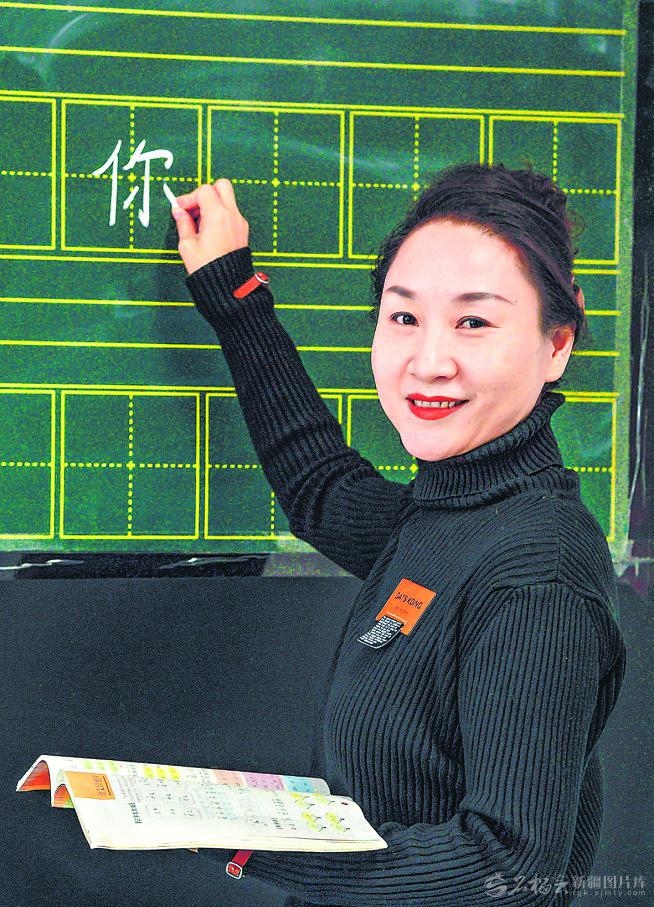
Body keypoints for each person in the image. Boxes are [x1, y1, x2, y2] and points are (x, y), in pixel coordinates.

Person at [171, 164, 626, 907]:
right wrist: (234, 293)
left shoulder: (534, 572)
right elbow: (320, 487)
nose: (429, 362)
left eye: (474, 322)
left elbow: (510, 871)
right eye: (404, 317)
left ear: (557, 346)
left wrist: (253, 840)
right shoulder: (454, 514)